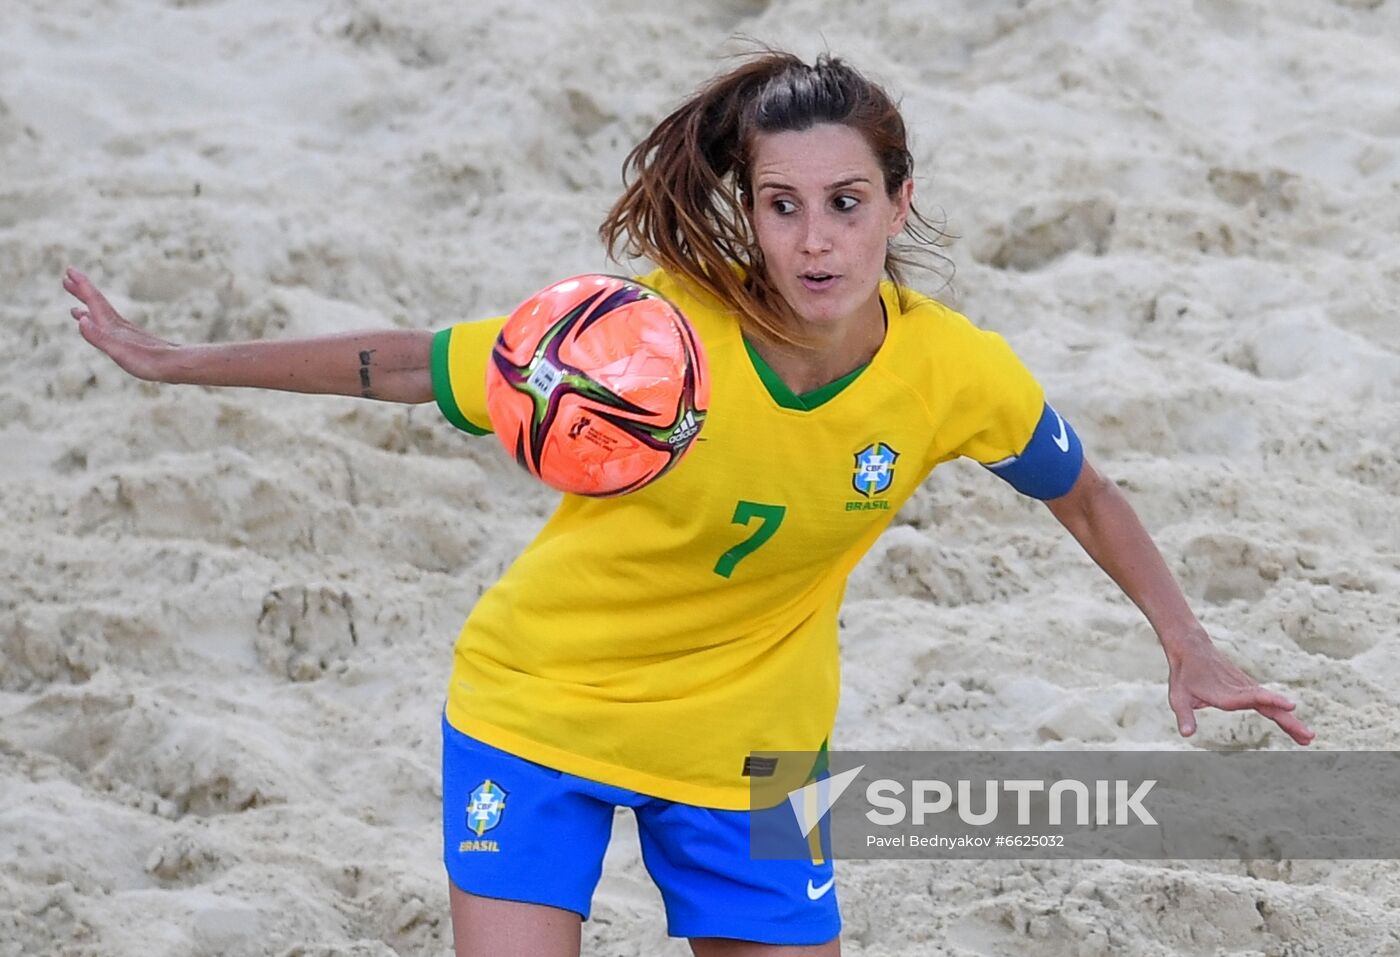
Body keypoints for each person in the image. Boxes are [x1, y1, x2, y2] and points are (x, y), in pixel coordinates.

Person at [64, 49, 1312, 957]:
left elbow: (1082, 493)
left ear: (899, 201)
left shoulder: (953, 374)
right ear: (748, 209)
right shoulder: (650, 333)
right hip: (541, 709)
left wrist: (1185, 641)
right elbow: (406, 363)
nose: (815, 241)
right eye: (781, 205)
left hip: (756, 755)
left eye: (846, 203)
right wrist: (176, 359)